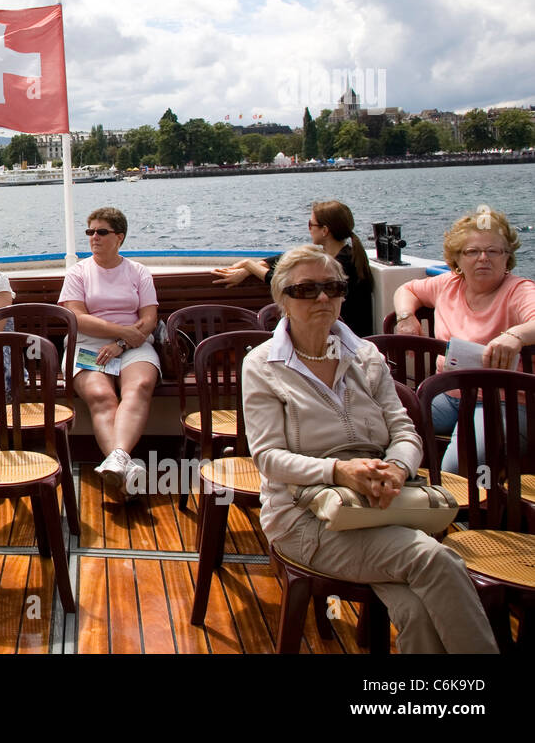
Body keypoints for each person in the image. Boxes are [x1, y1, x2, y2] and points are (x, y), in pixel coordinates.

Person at [243, 245, 498, 653]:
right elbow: (269, 458)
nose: (323, 297)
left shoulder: (366, 356)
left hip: (383, 501)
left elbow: (404, 431)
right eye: (306, 289)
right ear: (282, 299)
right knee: (434, 560)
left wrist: (397, 467)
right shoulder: (262, 365)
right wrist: (338, 472)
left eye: (333, 287)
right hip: (306, 516)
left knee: (416, 608)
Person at [391, 207, 534, 473]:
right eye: (472, 252)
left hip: (502, 402)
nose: (483, 259)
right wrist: (405, 316)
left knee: (459, 465)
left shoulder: (519, 291)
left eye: (493, 251)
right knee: (385, 428)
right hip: (447, 395)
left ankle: (463, 511)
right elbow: (407, 289)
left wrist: (516, 335)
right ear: (457, 258)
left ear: (507, 258)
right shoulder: (448, 285)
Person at [58, 207, 160, 496]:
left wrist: (122, 343)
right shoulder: (78, 272)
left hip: (132, 345)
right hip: (88, 345)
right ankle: (125, 469)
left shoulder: (138, 272)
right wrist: (119, 331)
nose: (94, 237)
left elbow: (149, 318)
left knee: (139, 386)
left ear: (119, 237)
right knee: (102, 396)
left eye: (101, 232)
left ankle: (117, 463)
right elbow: (76, 317)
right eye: (90, 232)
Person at [213, 200, 374, 336]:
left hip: (342, 337)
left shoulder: (338, 265)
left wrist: (249, 265)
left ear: (325, 231)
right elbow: (284, 258)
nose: (309, 228)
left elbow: (281, 283)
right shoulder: (343, 255)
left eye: (311, 224)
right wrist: (253, 267)